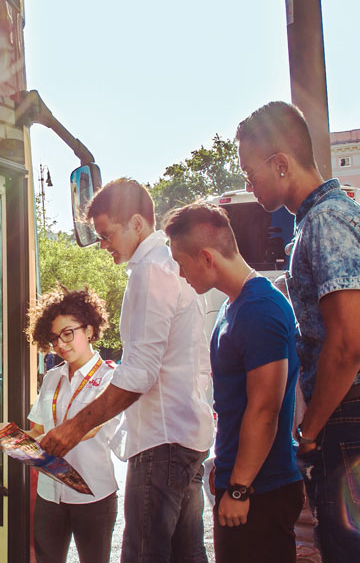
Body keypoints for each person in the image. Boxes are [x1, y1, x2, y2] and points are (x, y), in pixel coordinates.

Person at [39, 178, 214, 563]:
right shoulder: (173, 268)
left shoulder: (150, 272)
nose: (103, 246)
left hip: (161, 442)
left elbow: (139, 373)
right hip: (187, 439)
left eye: (106, 235)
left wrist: (74, 427)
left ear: (137, 223)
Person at [235, 101, 360, 560]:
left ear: (282, 164)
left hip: (347, 418)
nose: (249, 184)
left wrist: (311, 430)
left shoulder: (325, 221)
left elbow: (347, 344)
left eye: (251, 173)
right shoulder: (322, 218)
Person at [165, 203, 303, 562]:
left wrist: (240, 489)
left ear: (207, 257)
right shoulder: (234, 306)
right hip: (244, 484)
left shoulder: (260, 308)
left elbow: (264, 410)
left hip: (262, 490)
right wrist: (223, 472)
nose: (181, 275)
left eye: (182, 264)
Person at [25, 286, 120, 563]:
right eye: (54, 339)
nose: (61, 345)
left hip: (93, 495)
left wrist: (45, 441)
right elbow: (38, 432)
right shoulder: (52, 378)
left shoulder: (111, 379)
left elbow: (91, 429)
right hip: (49, 494)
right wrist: (8, 439)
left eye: (68, 333)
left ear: (89, 330)